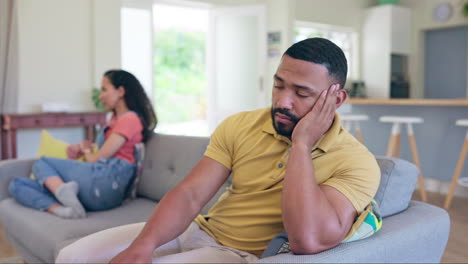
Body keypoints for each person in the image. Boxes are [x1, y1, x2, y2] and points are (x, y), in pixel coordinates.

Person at [56, 38, 380, 263]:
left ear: (335, 99)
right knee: (71, 257)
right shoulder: (240, 125)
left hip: (238, 255)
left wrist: (301, 144)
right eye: (279, 84)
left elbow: (306, 239)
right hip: (199, 228)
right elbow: (190, 195)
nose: (282, 100)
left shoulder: (357, 163)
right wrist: (144, 247)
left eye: (302, 93)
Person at [8, 69, 157, 219]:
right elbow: (101, 153)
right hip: (99, 179)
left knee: (42, 162)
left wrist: (87, 151)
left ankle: (65, 194)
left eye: (104, 89)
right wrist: (84, 148)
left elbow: (96, 159)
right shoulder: (114, 119)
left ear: (120, 91)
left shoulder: (129, 119)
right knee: (17, 185)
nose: (101, 96)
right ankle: (66, 210)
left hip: (109, 183)